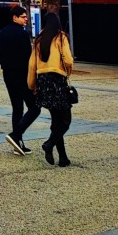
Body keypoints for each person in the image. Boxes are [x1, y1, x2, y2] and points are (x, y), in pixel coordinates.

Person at [27, 11, 74, 167]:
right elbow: (68, 59)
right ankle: (49, 144)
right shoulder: (61, 37)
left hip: (43, 81)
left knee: (56, 121)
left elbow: (32, 65)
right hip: (57, 80)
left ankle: (63, 158)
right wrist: (69, 72)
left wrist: (32, 85)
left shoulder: (39, 40)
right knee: (66, 120)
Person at [0, 5, 40, 155]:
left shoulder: (2, 33)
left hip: (8, 75)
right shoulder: (22, 34)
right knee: (34, 108)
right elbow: (29, 57)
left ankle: (18, 144)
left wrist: (6, 65)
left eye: (26, 16)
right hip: (22, 75)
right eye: (23, 16)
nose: (26, 18)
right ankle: (15, 135)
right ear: (15, 17)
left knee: (17, 108)